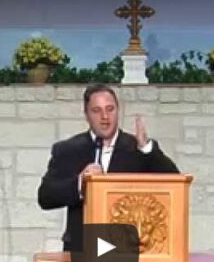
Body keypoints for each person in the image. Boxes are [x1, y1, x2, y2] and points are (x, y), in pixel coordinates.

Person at [38, 84, 179, 251]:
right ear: (86, 115)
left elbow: (174, 181)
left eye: (110, 109)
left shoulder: (138, 149)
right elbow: (46, 197)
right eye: (97, 111)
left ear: (118, 111)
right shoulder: (68, 150)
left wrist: (147, 149)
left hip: (128, 252)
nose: (105, 116)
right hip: (82, 250)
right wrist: (80, 183)